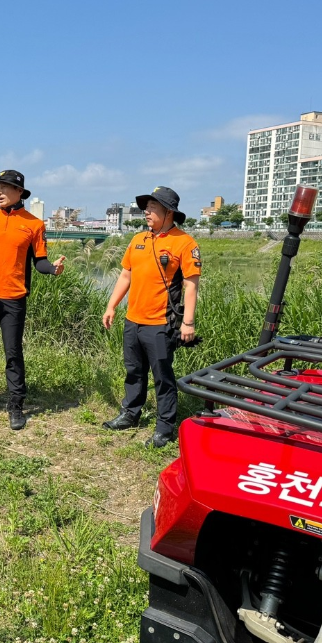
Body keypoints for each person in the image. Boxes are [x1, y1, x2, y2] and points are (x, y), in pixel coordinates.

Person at [0, 170, 66, 430]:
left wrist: (53, 269)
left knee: (13, 353)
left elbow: (39, 262)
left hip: (14, 298)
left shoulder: (33, 224)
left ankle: (16, 406)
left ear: (20, 192)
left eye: (5, 187)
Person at [101, 186, 200, 448]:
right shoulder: (138, 240)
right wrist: (111, 306)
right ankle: (130, 414)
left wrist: (188, 322)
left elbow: (191, 285)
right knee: (133, 371)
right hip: (133, 320)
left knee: (162, 377)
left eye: (152, 207)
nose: (146, 211)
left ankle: (165, 428)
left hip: (161, 323)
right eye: (146, 207)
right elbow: (126, 275)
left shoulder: (184, 243)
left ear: (169, 212)